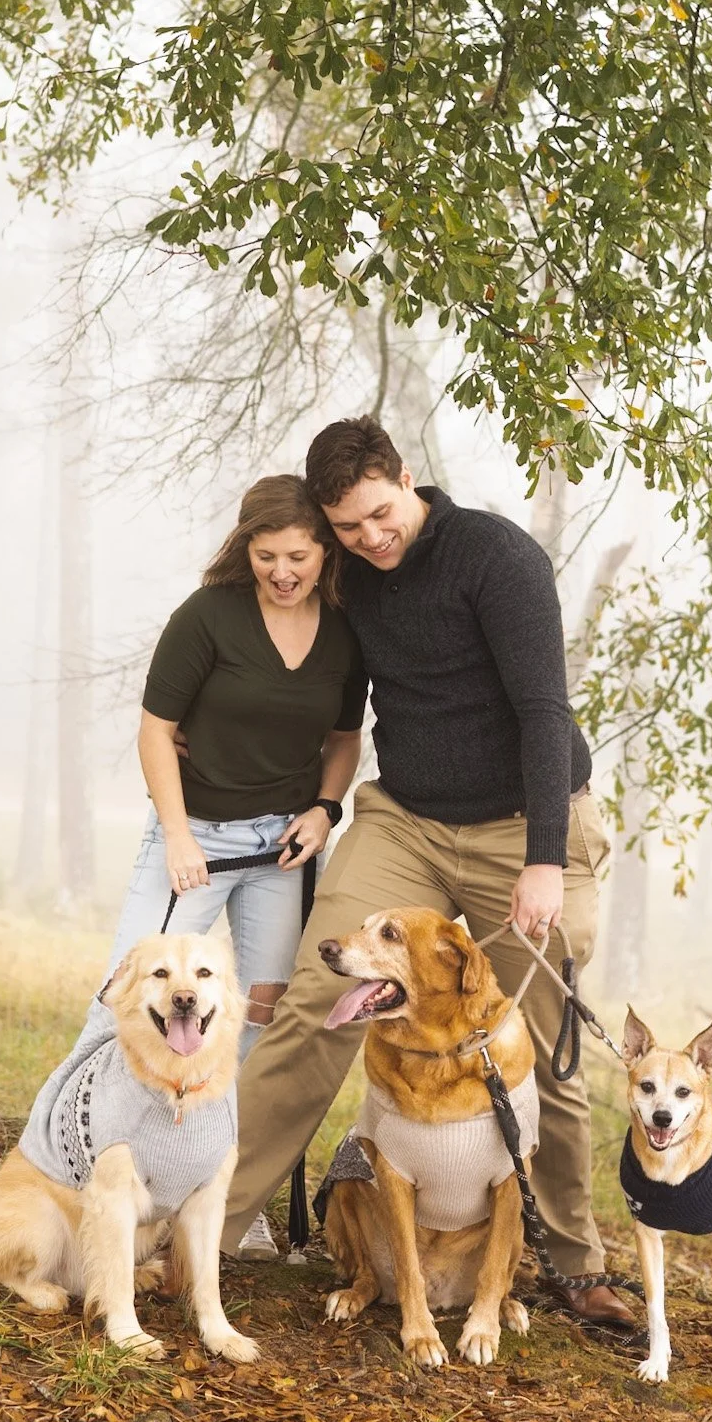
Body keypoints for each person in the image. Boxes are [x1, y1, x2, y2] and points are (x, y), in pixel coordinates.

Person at [219, 417, 631, 1325]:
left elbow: (541, 713)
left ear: (407, 478)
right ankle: (202, 1221)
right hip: (406, 818)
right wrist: (325, 806)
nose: (369, 539)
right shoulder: (350, 574)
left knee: (539, 1043)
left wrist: (543, 863)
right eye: (349, 528)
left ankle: (572, 1263)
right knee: (313, 1010)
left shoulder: (496, 558)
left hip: (525, 822)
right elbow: (331, 695)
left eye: (377, 515)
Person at [110, 473, 367, 1259]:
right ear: (244, 550)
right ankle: (93, 1174)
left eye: (297, 555)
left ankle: (226, 1194)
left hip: (281, 851)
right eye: (266, 556)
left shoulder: (344, 633)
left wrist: (325, 811)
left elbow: (343, 741)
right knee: (123, 998)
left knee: (255, 1021)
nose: (282, 571)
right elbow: (156, 730)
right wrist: (182, 836)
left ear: (324, 551)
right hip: (196, 840)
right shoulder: (208, 617)